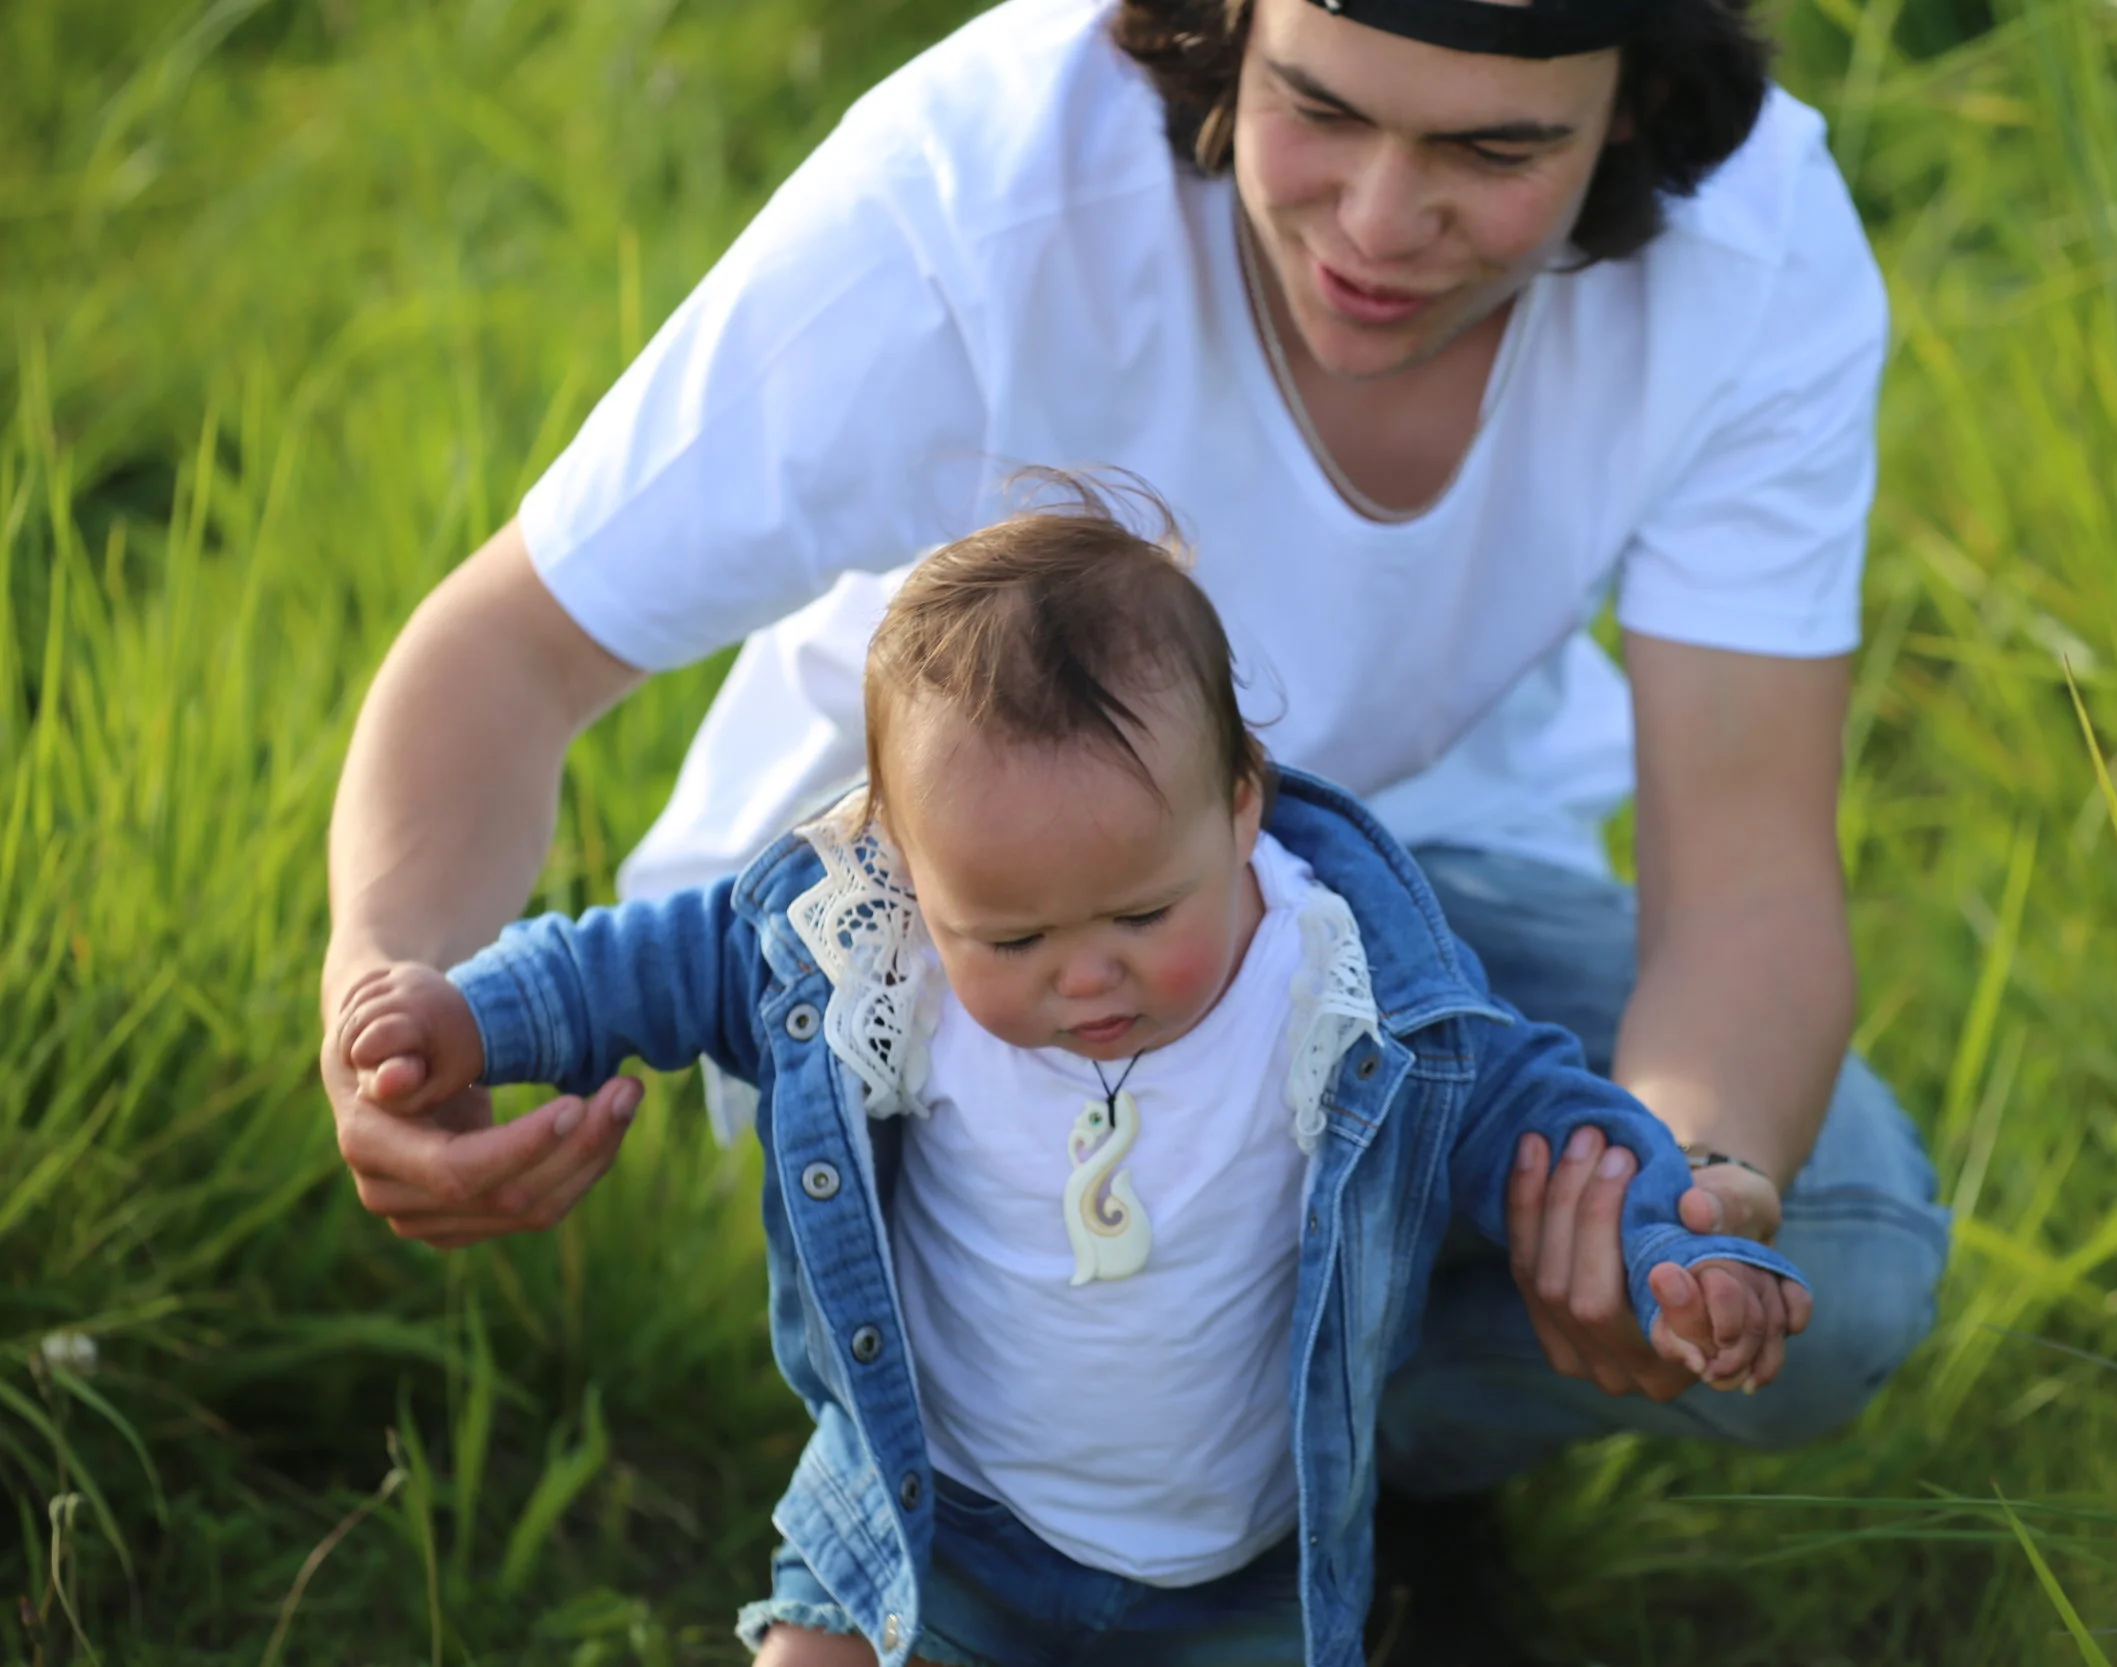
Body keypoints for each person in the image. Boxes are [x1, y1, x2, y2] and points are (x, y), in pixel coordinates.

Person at [321, 0, 1951, 1646]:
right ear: (1224, 28)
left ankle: (1279, 1491)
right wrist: (388, 990)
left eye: (1494, 148)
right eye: (1318, 109)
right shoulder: (975, 194)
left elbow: (1745, 878)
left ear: (1631, 100)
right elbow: (504, 654)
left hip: (1405, 901)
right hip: (947, 968)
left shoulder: (1748, 247)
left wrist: (1674, 1204)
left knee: (1842, 1257)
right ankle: (966, 1468)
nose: (1381, 222)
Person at [332, 487, 1813, 1666]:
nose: (1084, 974)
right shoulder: (876, 945)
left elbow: (1539, 1112)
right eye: (1016, 935)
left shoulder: (1337, 980)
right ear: (913, 879)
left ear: (1244, 810)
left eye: (1140, 916)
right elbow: (646, 965)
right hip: (942, 1517)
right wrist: (472, 1013)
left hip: (1235, 1564)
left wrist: (1670, 1233)